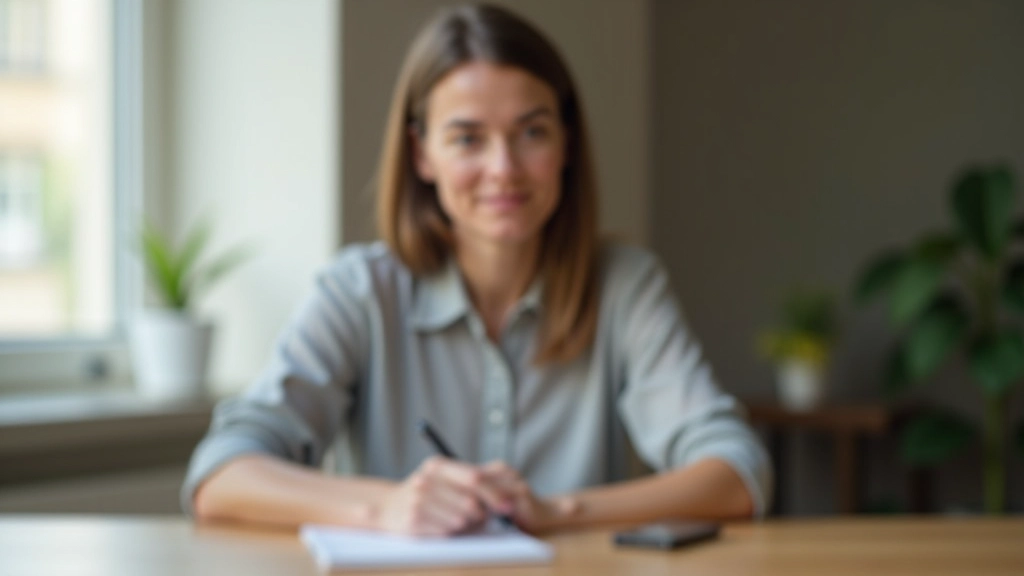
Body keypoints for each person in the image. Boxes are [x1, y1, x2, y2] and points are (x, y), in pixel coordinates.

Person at [183, 3, 771, 536]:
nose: (504, 169)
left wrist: (560, 511)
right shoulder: (360, 291)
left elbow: (737, 473)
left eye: (532, 133)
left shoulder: (624, 286)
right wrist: (383, 507)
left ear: (566, 143)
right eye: (467, 139)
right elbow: (220, 475)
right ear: (422, 155)